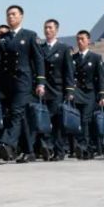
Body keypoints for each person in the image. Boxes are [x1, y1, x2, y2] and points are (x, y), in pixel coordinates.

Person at [0, 5, 46, 163]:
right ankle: (29, 151)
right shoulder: (4, 38)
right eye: (8, 14)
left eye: (14, 14)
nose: (10, 17)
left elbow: (38, 59)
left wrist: (40, 82)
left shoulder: (30, 35)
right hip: (7, 83)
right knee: (18, 117)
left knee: (17, 112)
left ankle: (6, 143)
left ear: (21, 16)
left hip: (24, 81)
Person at [39, 19, 75, 161]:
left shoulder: (63, 48)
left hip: (57, 89)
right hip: (42, 88)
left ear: (56, 30)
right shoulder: (40, 47)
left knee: (57, 120)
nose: (47, 30)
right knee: (44, 119)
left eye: (50, 28)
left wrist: (70, 90)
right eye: (45, 28)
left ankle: (59, 150)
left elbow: (69, 71)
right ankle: (46, 147)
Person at [71, 30, 104, 160]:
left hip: (90, 92)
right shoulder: (73, 58)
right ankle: (83, 146)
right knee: (78, 120)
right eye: (78, 39)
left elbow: (100, 78)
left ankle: (85, 146)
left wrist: (102, 96)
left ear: (88, 41)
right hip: (76, 92)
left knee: (86, 119)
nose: (80, 41)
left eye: (82, 39)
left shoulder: (96, 57)